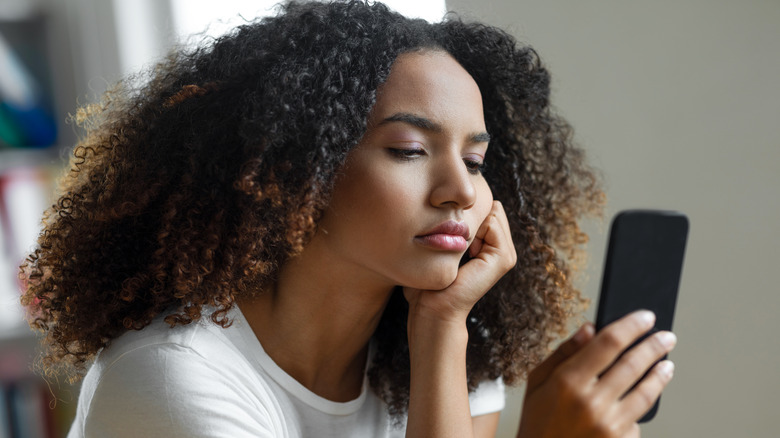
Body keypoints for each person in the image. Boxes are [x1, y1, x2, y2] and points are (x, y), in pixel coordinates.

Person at [21, 1, 676, 437]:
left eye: (476, 162)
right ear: (294, 169)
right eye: (409, 151)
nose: (459, 190)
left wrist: (442, 328)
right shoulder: (174, 382)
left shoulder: (442, 340)